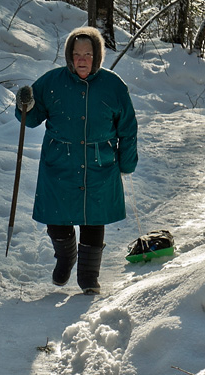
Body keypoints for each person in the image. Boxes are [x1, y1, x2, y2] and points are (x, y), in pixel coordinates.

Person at [15, 26, 138, 294]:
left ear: (97, 57)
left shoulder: (113, 86)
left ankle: (89, 277)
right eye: (77, 53)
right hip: (60, 163)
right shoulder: (51, 83)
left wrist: (126, 162)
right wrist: (24, 104)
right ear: (70, 56)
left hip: (100, 164)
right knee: (57, 220)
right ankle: (66, 257)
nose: (82, 59)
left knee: (93, 219)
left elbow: (128, 128)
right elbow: (31, 119)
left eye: (88, 54)